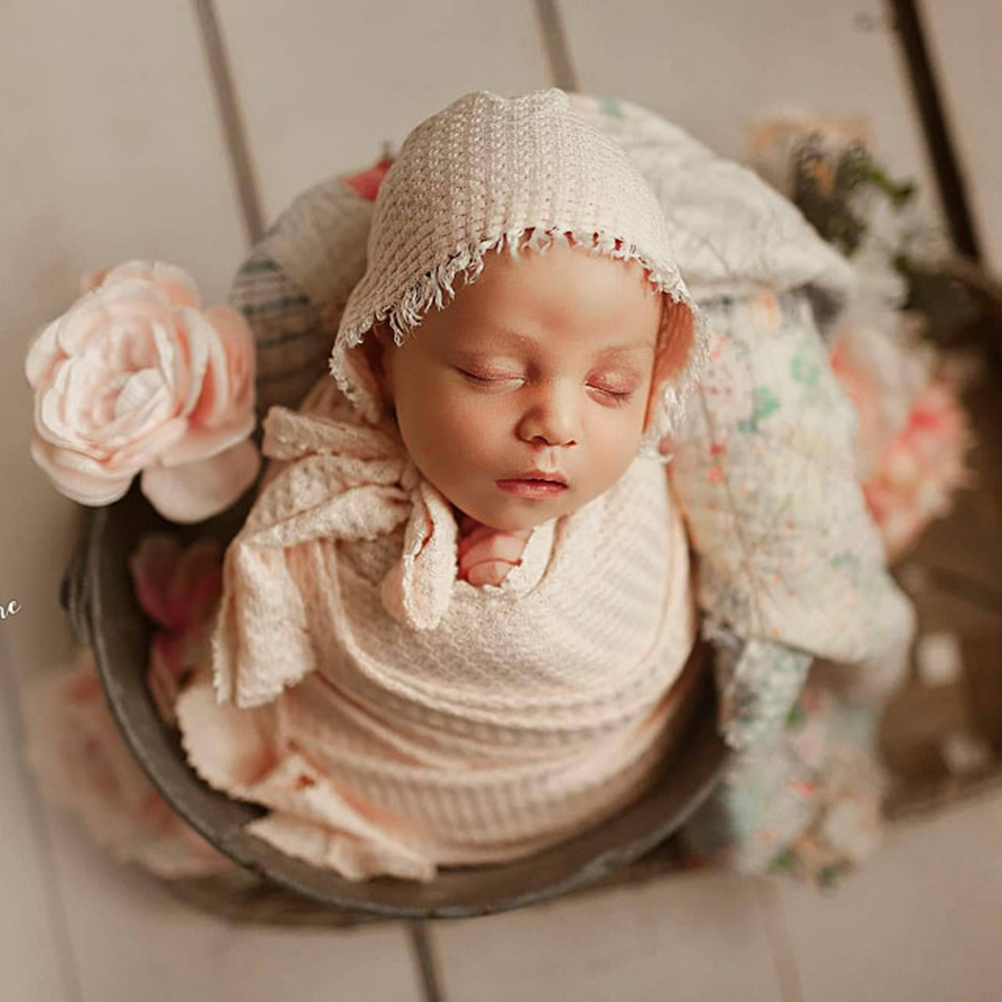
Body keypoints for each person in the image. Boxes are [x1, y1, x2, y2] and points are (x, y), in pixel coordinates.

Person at [176, 89, 710, 881]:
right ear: (380, 354)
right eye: (492, 373)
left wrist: (528, 578)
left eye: (611, 387)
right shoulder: (327, 462)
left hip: (600, 767)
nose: (557, 423)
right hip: (383, 770)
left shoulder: (636, 489)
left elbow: (630, 627)